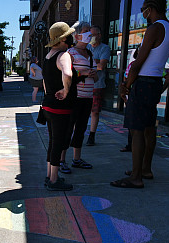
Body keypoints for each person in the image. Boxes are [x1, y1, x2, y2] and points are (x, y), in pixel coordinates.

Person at [111, 0, 169, 188]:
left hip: (143, 82)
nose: (142, 13)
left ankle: (136, 177)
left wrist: (125, 84)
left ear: (151, 8)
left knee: (136, 129)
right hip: (154, 82)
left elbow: (138, 63)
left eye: (143, 10)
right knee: (149, 128)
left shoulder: (155, 28)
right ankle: (145, 169)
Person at [42, 21, 78, 191]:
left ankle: (50, 175)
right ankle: (54, 180)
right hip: (60, 107)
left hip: (48, 105)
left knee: (52, 142)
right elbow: (67, 73)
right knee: (58, 143)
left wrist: (50, 93)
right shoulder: (63, 55)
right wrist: (65, 90)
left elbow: (44, 81)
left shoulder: (48, 56)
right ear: (64, 39)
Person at [60, 21, 98, 174]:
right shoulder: (70, 53)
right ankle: (61, 160)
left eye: (90, 30)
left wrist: (94, 75)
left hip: (88, 96)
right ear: (77, 35)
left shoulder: (89, 53)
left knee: (81, 128)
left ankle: (76, 158)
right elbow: (66, 75)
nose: (90, 33)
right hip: (74, 96)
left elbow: (94, 77)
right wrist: (83, 74)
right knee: (68, 128)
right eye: (86, 30)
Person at [86, 25, 111, 146]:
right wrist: (95, 61)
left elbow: (101, 66)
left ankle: (92, 135)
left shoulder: (104, 48)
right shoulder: (86, 47)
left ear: (99, 35)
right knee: (81, 110)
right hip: (84, 83)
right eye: (89, 35)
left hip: (97, 84)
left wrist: (90, 61)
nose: (91, 38)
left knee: (94, 111)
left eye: (93, 35)